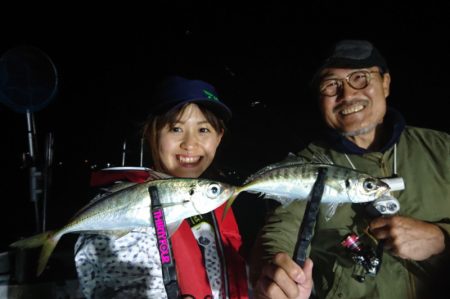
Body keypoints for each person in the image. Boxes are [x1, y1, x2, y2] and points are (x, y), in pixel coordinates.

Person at [249, 39, 450, 298]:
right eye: (331, 84)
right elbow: (281, 228)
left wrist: (441, 237)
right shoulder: (307, 164)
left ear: (386, 83)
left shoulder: (442, 148)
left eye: (360, 77)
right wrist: (275, 271)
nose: (348, 95)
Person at [74, 76, 249, 298]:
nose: (190, 143)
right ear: (152, 133)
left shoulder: (210, 201)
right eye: (176, 129)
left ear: (219, 137)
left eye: (203, 130)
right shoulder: (128, 210)